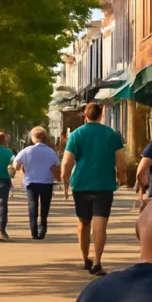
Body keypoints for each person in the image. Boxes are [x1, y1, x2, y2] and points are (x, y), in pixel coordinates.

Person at [61, 102, 126, 275]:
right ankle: (97, 261)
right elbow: (121, 162)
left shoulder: (76, 135)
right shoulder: (112, 135)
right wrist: (122, 177)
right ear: (101, 115)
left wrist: (65, 183)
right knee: (100, 223)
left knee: (83, 222)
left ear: (85, 116)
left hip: (81, 184)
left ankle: (85, 258)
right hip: (104, 184)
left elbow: (67, 163)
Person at [13, 126, 61, 239]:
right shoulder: (51, 152)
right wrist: (58, 178)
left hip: (31, 183)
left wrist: (23, 167)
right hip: (46, 182)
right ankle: (42, 228)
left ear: (33, 137)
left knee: (32, 206)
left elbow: (16, 165)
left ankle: (34, 231)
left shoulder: (26, 151)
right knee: (45, 207)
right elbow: (55, 168)